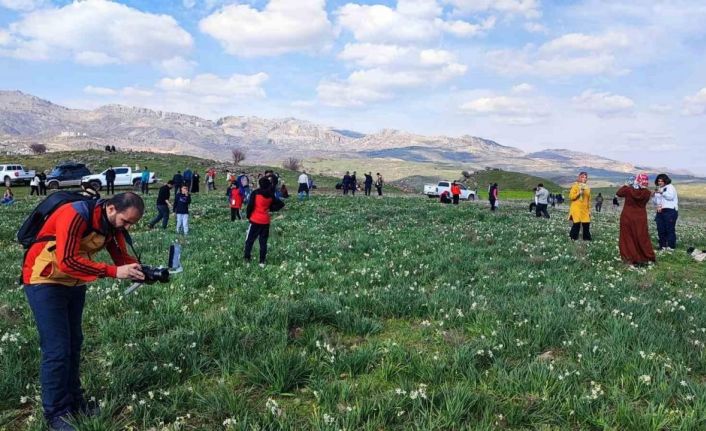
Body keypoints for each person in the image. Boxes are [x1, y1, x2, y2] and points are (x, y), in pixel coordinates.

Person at [22, 193, 145, 430]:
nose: (128, 227)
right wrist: (113, 272)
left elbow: (120, 258)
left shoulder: (110, 226)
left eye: (132, 224)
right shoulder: (75, 214)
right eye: (126, 221)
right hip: (44, 280)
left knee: (74, 343)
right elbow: (67, 260)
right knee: (57, 349)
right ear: (111, 208)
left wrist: (142, 271)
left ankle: (75, 403)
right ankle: (56, 413)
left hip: (74, 283)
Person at [244, 177, 284, 266]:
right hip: (265, 221)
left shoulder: (256, 193)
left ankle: (247, 259)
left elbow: (250, 206)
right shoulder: (270, 194)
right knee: (263, 242)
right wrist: (271, 209)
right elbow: (281, 204)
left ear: (260, 184)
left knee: (249, 241)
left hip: (255, 220)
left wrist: (248, 216)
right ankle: (262, 262)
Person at [616, 173, 655, 266]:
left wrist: (626, 184)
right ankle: (646, 257)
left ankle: (629, 258)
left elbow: (619, 193)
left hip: (627, 216)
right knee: (642, 237)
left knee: (627, 238)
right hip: (640, 217)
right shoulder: (647, 193)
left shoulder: (628, 190)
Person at [653, 173, 679, 250]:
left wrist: (661, 192)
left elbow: (670, 197)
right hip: (660, 210)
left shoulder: (670, 187)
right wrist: (653, 195)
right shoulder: (658, 188)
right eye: (658, 181)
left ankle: (671, 247)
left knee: (669, 229)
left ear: (665, 181)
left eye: (661, 181)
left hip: (670, 210)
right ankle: (662, 246)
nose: (660, 182)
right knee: (660, 229)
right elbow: (655, 201)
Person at [568, 172, 591, 241]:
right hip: (576, 209)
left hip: (585, 209)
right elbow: (571, 197)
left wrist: (589, 210)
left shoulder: (587, 188)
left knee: (586, 224)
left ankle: (587, 239)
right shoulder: (575, 186)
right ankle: (573, 238)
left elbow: (589, 200)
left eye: (585, 177)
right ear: (579, 177)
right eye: (582, 177)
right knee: (576, 224)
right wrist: (579, 193)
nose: (584, 178)